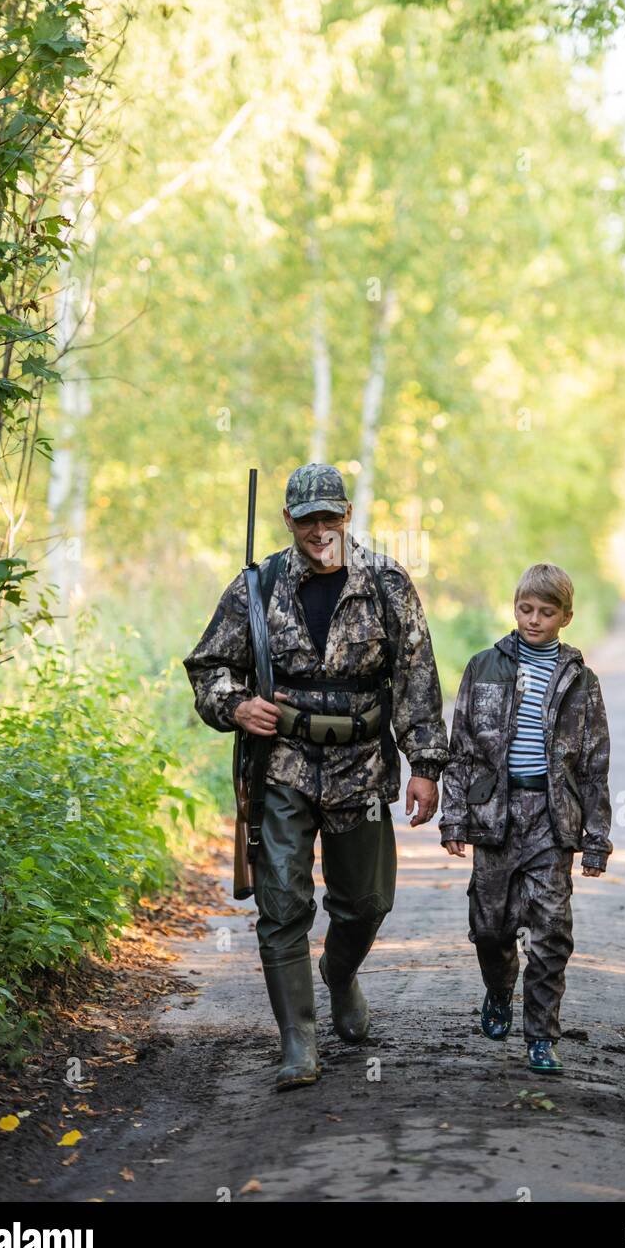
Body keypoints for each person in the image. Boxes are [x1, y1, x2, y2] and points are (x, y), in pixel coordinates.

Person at [183, 463, 449, 1090]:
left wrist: (426, 766)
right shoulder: (258, 586)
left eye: (331, 517)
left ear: (348, 514)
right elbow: (209, 667)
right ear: (289, 521)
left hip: (363, 764)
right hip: (283, 765)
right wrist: (234, 704)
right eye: (308, 520)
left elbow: (417, 675)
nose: (320, 530)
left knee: (367, 902)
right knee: (282, 904)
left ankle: (339, 970)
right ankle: (298, 1043)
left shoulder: (387, 582)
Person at [439, 562, 612, 1076]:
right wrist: (454, 819)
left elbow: (596, 764)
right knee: (490, 928)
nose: (534, 619)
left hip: (551, 820)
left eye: (547, 612)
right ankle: (498, 987)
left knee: (552, 930)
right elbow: (462, 748)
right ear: (514, 608)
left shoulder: (582, 681)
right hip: (495, 817)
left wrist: (595, 839)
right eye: (525, 609)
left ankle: (541, 1036)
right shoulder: (483, 666)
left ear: (567, 617)